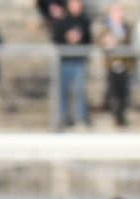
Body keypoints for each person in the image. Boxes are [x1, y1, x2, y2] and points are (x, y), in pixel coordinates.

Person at [55, 0, 93, 128]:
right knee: (63, 91)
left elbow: (89, 40)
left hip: (79, 60)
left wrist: (80, 39)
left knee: (80, 91)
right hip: (65, 61)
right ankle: (63, 118)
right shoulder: (62, 21)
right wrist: (67, 38)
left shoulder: (84, 21)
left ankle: (80, 119)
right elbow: (56, 39)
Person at [101, 3, 137, 126]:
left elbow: (131, 43)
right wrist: (106, 42)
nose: (119, 14)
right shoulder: (106, 28)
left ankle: (121, 117)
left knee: (123, 93)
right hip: (111, 65)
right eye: (116, 12)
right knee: (114, 93)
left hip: (124, 65)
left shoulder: (126, 27)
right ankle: (116, 116)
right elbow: (100, 41)